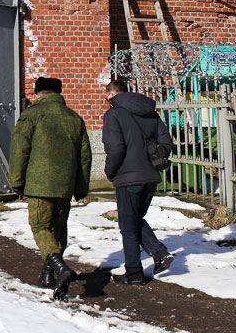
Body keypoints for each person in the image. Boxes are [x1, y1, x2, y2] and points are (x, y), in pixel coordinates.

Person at [9, 77, 91, 300]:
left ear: (38, 93)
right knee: (58, 229)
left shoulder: (31, 115)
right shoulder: (74, 118)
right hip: (65, 185)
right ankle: (48, 273)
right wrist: (81, 187)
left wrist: (17, 181)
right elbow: (84, 157)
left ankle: (60, 267)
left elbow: (19, 150)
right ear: (59, 93)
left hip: (39, 185)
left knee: (40, 228)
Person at [102, 80, 175, 285]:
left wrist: (110, 171)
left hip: (127, 177)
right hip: (151, 176)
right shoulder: (150, 112)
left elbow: (115, 148)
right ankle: (159, 253)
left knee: (128, 225)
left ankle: (134, 273)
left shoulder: (113, 114)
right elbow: (166, 142)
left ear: (111, 95)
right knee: (134, 219)